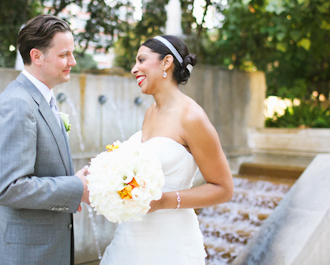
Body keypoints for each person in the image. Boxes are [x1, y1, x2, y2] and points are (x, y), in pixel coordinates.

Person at [100, 35, 234, 264]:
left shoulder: (192, 117)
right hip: (130, 239)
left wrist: (163, 201)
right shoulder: (150, 112)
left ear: (166, 62)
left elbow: (223, 189)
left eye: (142, 60)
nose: (134, 69)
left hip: (170, 244)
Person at [0, 14, 89, 265]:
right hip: (25, 254)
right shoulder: (17, 104)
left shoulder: (42, 97)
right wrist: (76, 188)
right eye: (64, 55)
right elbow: (8, 188)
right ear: (36, 56)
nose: (72, 61)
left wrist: (73, 182)